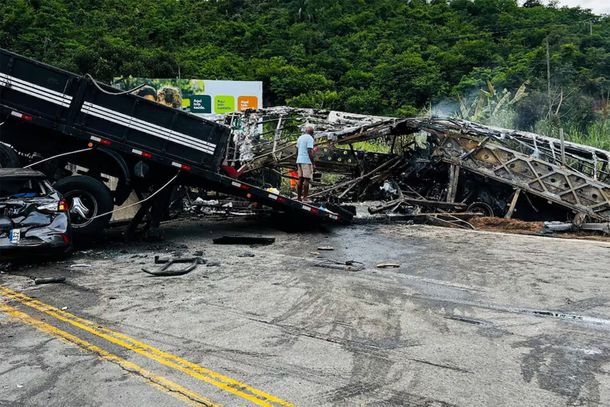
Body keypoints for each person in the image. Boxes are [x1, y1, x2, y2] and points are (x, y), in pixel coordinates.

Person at [296, 125, 315, 202]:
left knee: (300, 179)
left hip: (299, 160)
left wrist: (297, 159)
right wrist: (313, 162)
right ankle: (305, 198)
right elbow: (309, 151)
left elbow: (296, 150)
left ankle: (299, 197)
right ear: (312, 133)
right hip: (306, 161)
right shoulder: (310, 138)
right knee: (307, 179)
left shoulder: (300, 138)